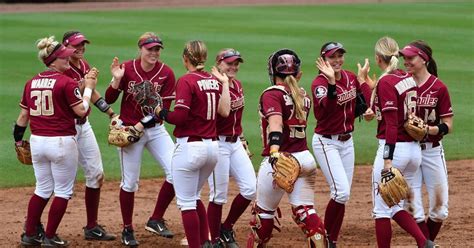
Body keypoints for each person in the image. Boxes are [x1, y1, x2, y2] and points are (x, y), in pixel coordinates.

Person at [17, 36, 97, 247]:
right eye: (63, 57)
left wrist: (17, 141)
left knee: (42, 189)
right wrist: (88, 87)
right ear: (53, 61)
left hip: (37, 142)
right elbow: (82, 111)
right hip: (61, 142)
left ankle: (30, 234)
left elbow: (23, 118)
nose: (67, 59)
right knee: (62, 191)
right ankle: (51, 236)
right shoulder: (66, 83)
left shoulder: (31, 82)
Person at [152, 40, 230, 248]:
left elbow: (180, 117)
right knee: (194, 197)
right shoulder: (214, 80)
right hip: (213, 149)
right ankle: (207, 242)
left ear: (185, 58)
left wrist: (160, 112)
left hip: (190, 148)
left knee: (186, 203)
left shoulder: (186, 80)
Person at [247, 49, 326, 247]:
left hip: (281, 159)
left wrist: (274, 152)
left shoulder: (272, 94)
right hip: (306, 160)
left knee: (263, 215)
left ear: (273, 72)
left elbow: (276, 125)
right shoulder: (302, 95)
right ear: (297, 74)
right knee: (306, 211)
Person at [104, 32, 177, 246]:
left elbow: (164, 110)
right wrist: (117, 80)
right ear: (141, 49)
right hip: (129, 132)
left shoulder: (167, 73)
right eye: (150, 49)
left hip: (155, 130)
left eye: (157, 49)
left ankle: (155, 219)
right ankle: (127, 229)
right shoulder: (126, 68)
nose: (154, 52)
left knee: (176, 172)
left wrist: (142, 124)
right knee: (130, 183)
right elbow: (109, 99)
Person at [369, 36, 437, 248]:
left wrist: (387, 162)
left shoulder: (387, 82)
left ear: (379, 58)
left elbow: (390, 124)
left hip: (394, 150)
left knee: (381, 210)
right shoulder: (407, 78)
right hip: (413, 152)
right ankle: (423, 242)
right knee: (395, 204)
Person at [311, 42, 374, 247]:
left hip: (347, 142)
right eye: (332, 57)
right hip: (326, 142)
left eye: (340, 55)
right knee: (341, 192)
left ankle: (332, 240)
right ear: (323, 60)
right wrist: (330, 83)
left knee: (342, 195)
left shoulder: (349, 77)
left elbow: (362, 100)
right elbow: (326, 111)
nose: (337, 60)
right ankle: (323, 238)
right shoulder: (319, 84)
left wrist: (367, 109)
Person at [62, 30, 116, 241]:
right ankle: (35, 227)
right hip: (65, 130)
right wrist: (86, 85)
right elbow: (79, 95)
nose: (81, 48)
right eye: (76, 45)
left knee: (96, 174)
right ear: (66, 47)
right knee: (60, 184)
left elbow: (91, 92)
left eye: (83, 44)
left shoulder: (83, 65)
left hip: (83, 126)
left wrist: (110, 112)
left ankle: (91, 226)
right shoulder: (63, 69)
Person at [400, 40, 453, 242]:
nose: (406, 61)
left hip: (432, 150)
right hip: (409, 151)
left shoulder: (438, 88)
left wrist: (429, 129)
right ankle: (426, 246)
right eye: (404, 57)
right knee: (412, 208)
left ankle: (426, 244)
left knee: (440, 210)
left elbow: (448, 124)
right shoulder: (401, 84)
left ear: (424, 59)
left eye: (410, 57)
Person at [206, 48, 256, 247]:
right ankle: (214, 238)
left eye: (236, 63)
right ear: (219, 64)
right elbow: (223, 112)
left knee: (250, 188)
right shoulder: (212, 86)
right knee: (218, 194)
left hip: (235, 143)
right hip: (217, 143)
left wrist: (241, 137)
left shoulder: (238, 84)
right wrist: (224, 83)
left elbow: (236, 118)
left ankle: (226, 228)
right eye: (229, 63)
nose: (233, 67)